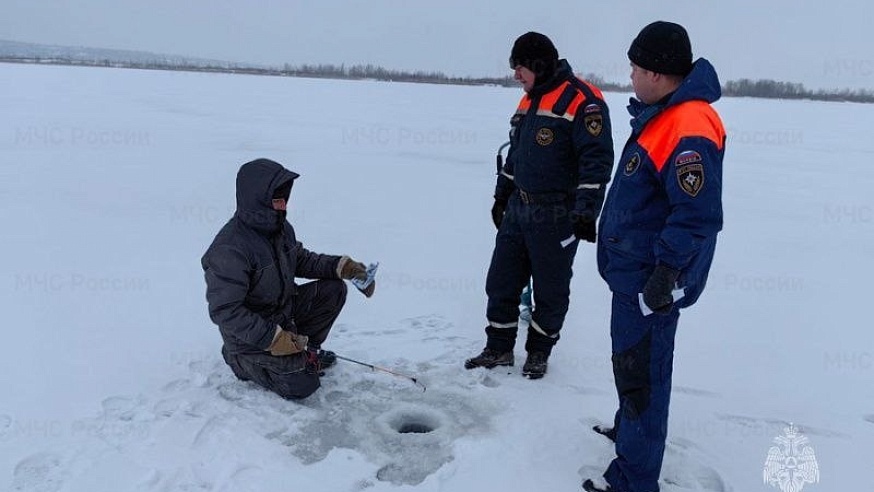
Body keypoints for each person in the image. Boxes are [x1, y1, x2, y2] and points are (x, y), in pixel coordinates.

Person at [583, 21, 725, 492]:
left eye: (636, 68)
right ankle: (629, 436)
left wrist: (665, 273)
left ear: (659, 75)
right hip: (634, 275)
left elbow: (697, 215)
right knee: (630, 366)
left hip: (650, 284)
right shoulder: (663, 113)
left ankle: (633, 480)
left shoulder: (688, 124)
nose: (630, 76)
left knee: (643, 379)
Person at [465, 32, 615, 379]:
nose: (516, 75)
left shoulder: (583, 100)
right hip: (520, 208)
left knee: (550, 288)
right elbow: (516, 153)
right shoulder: (528, 100)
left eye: (519, 67)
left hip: (557, 214)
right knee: (501, 281)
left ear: (538, 64)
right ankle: (499, 348)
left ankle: (538, 352)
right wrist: (502, 195)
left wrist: (586, 210)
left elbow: (597, 160)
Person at [201, 158, 375, 400]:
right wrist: (273, 338)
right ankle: (239, 362)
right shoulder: (230, 249)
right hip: (249, 339)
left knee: (333, 290)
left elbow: (300, 259)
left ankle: (306, 352)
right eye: (276, 198)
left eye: (284, 197)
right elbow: (225, 311)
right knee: (303, 384)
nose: (283, 204)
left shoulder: (280, 228)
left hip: (283, 315)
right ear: (258, 198)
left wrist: (343, 267)